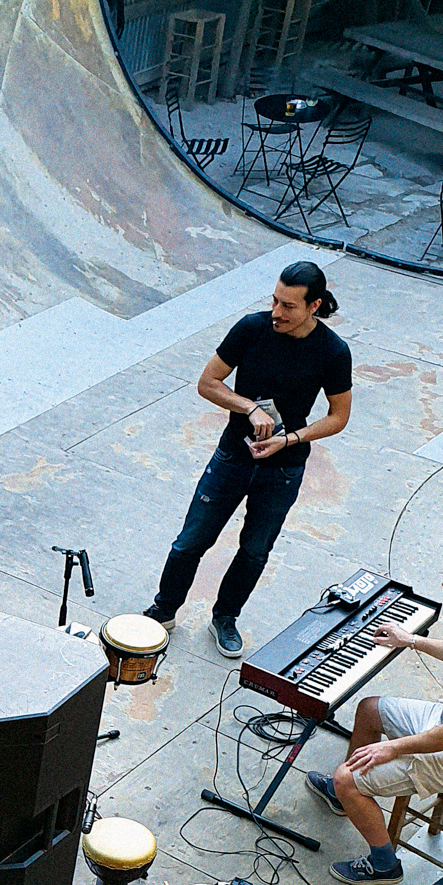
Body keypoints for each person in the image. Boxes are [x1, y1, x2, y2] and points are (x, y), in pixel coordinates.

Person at [144, 261, 353, 659]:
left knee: (255, 550)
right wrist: (249, 409)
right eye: (274, 300)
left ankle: (225, 618)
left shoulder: (332, 351)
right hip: (232, 456)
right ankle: (165, 609)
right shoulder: (251, 329)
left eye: (288, 306)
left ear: (315, 306)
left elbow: (338, 416)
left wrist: (291, 438)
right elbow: (208, 382)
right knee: (191, 541)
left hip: (284, 468)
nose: (276, 312)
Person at [306, 538, 443, 885]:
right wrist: (411, 640)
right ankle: (342, 796)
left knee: (348, 778)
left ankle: (383, 864)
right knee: (370, 710)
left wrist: (392, 747)